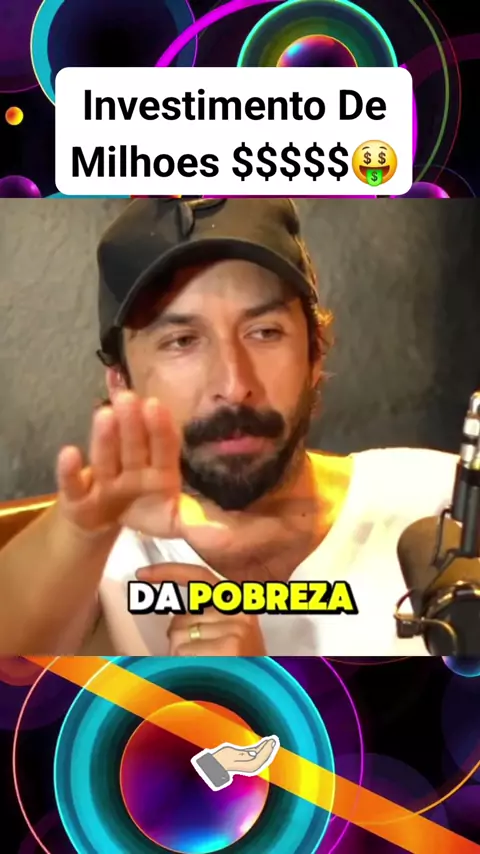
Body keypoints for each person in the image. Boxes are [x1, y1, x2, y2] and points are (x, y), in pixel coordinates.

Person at [0, 197, 458, 657]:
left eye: (265, 332)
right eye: (182, 341)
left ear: (315, 353)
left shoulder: (447, 503)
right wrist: (84, 532)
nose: (234, 386)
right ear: (122, 382)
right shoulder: (94, 564)